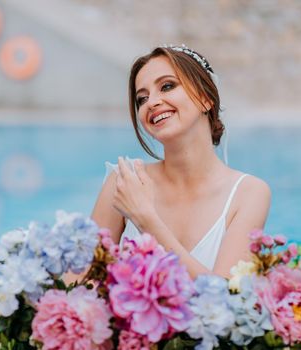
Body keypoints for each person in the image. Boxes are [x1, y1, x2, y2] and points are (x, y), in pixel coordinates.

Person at [90, 45, 271, 280]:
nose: (151, 103)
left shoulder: (249, 193)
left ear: (206, 98)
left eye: (167, 86)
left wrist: (146, 219)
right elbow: (81, 284)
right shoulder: (124, 182)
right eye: (142, 99)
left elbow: (227, 302)